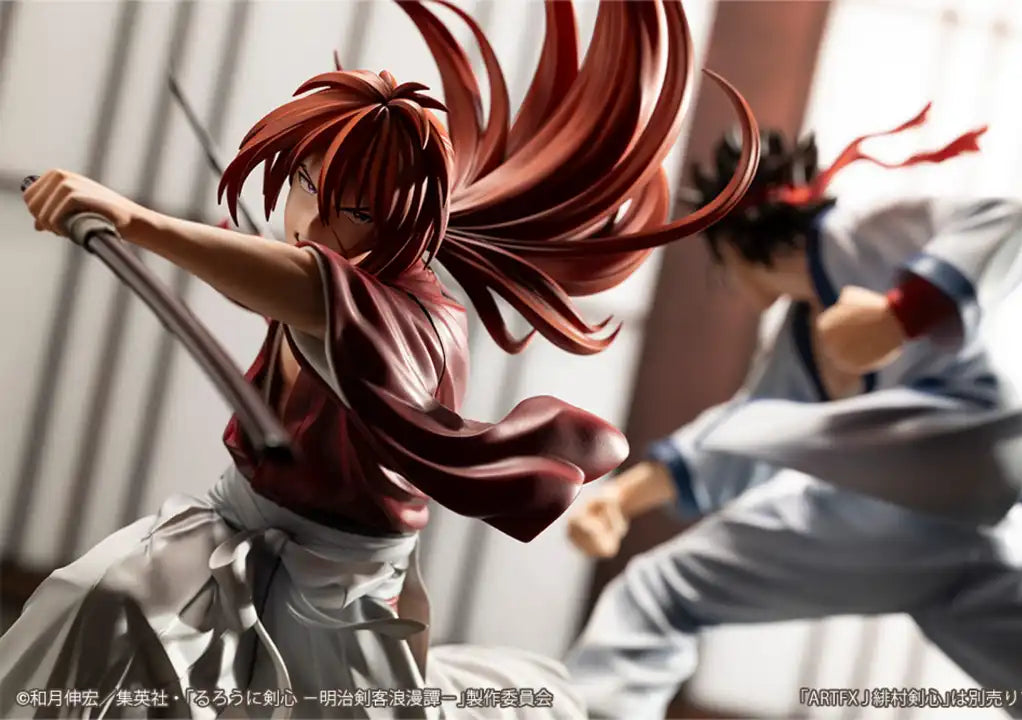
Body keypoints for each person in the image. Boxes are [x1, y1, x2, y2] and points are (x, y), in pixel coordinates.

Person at [0, 2, 760, 718]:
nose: (314, 219)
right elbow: (281, 282)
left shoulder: (410, 314)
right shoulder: (321, 278)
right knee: (99, 606)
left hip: (336, 587)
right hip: (226, 528)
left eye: (357, 208)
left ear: (407, 217)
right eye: (306, 183)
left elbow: (304, 286)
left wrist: (133, 219)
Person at [564, 109, 1022, 719]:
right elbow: (744, 426)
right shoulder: (800, 340)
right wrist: (623, 499)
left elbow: (1009, 221)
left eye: (720, 265)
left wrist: (900, 314)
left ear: (735, 245)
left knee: (660, 590)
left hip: (957, 463)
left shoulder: (868, 231)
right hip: (936, 534)